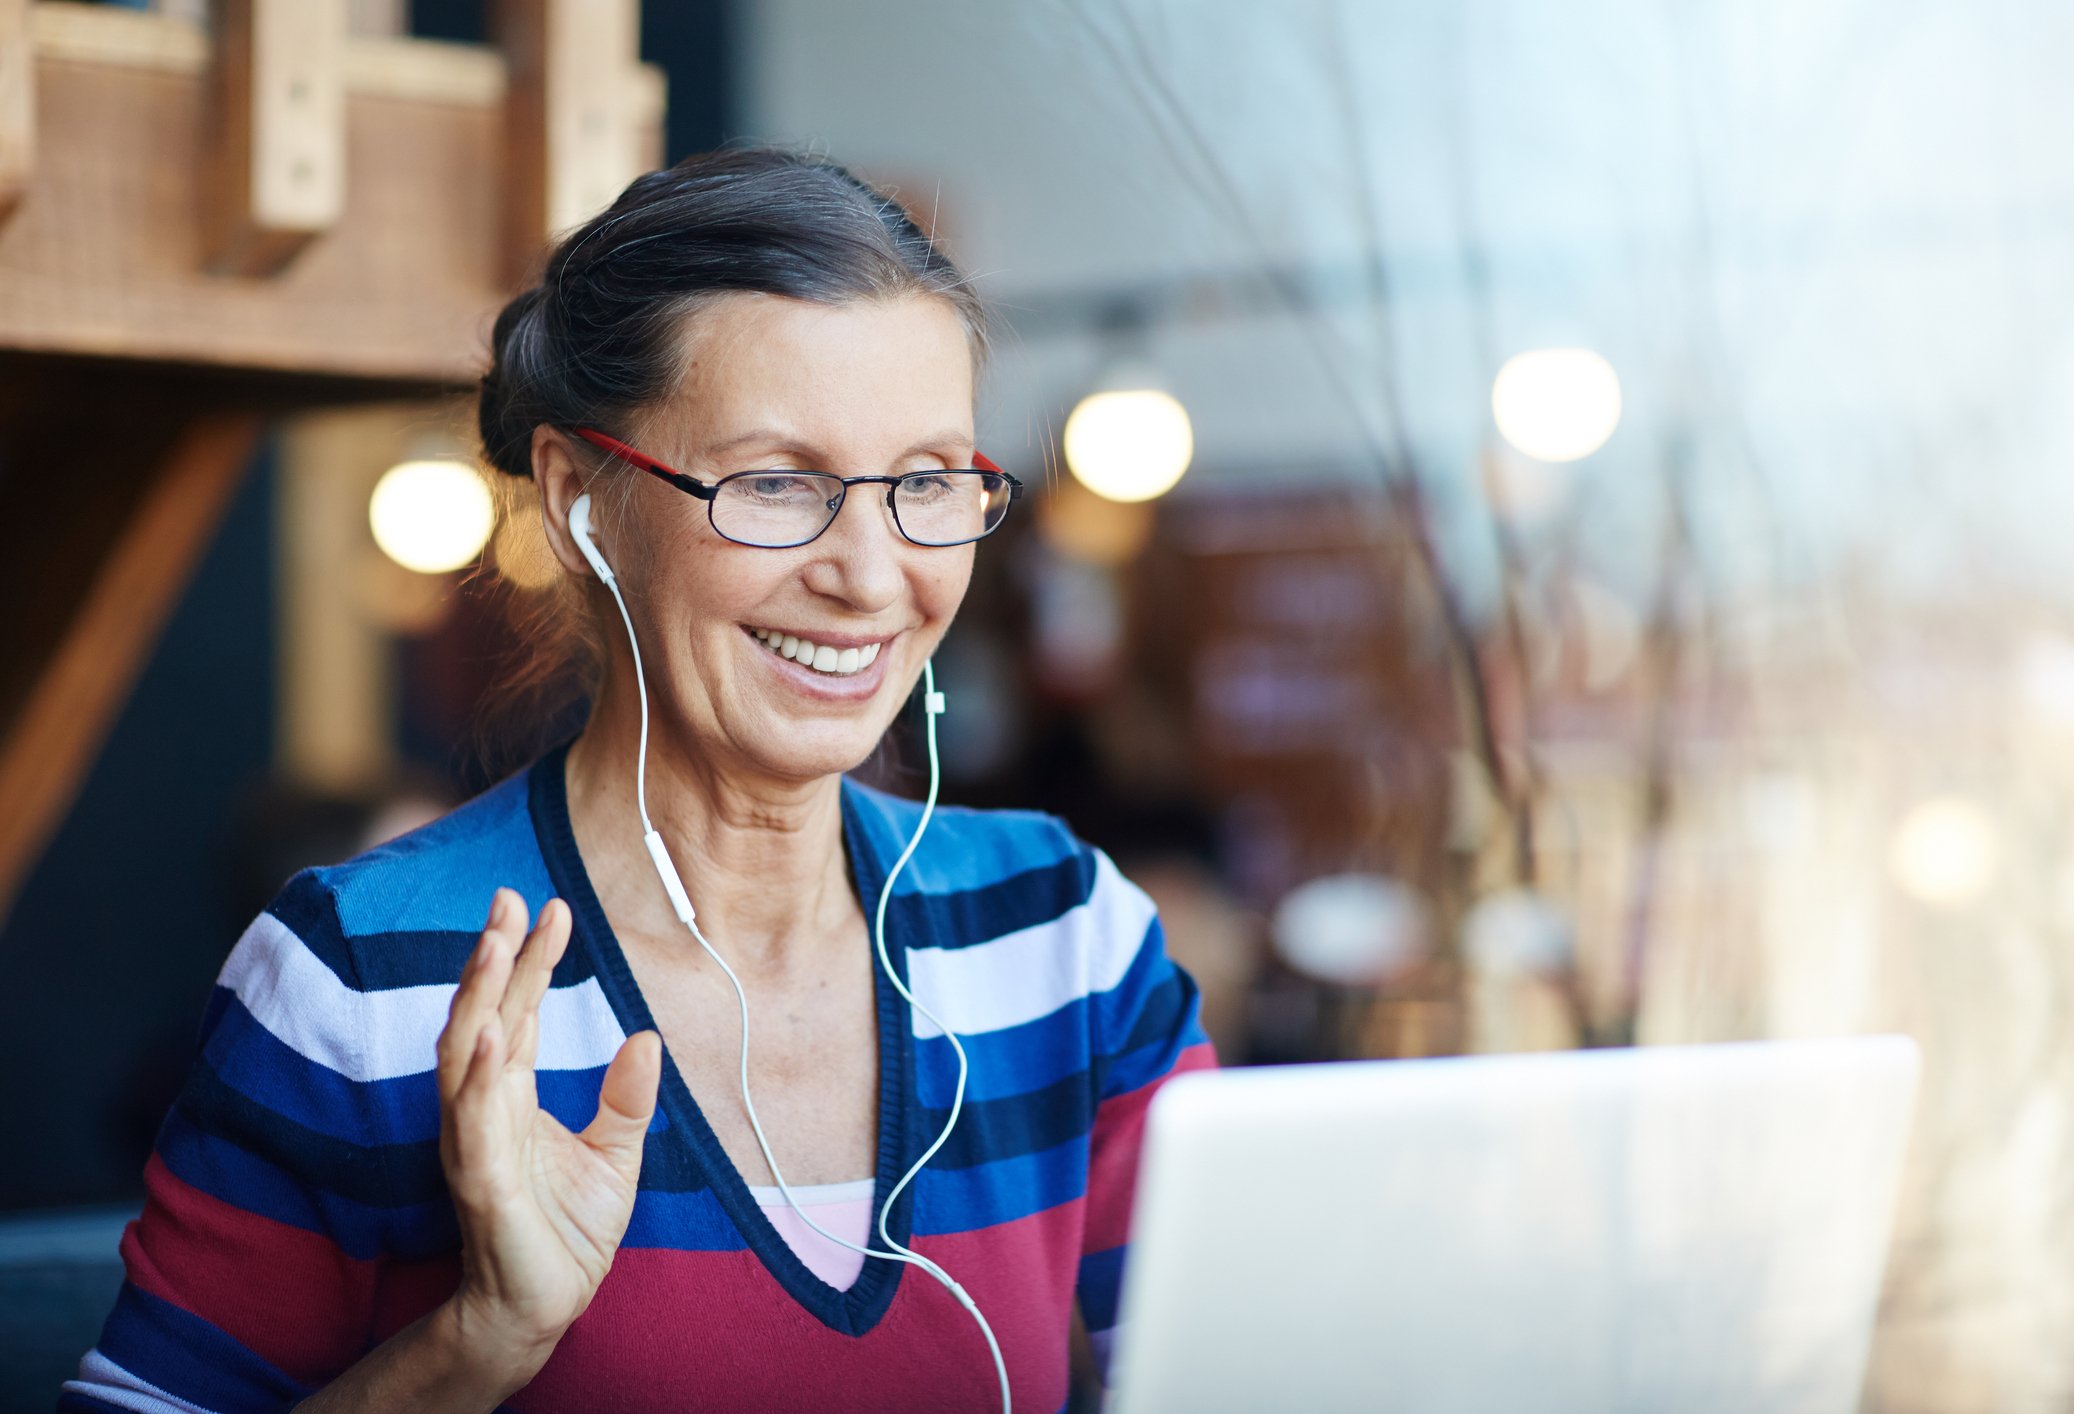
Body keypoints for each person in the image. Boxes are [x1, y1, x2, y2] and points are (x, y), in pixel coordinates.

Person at [62, 145, 1215, 1413]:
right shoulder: (366, 980)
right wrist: (478, 1342)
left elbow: (1260, 1365)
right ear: (579, 505)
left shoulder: (1063, 936)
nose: (875, 576)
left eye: (926, 482)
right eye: (780, 482)